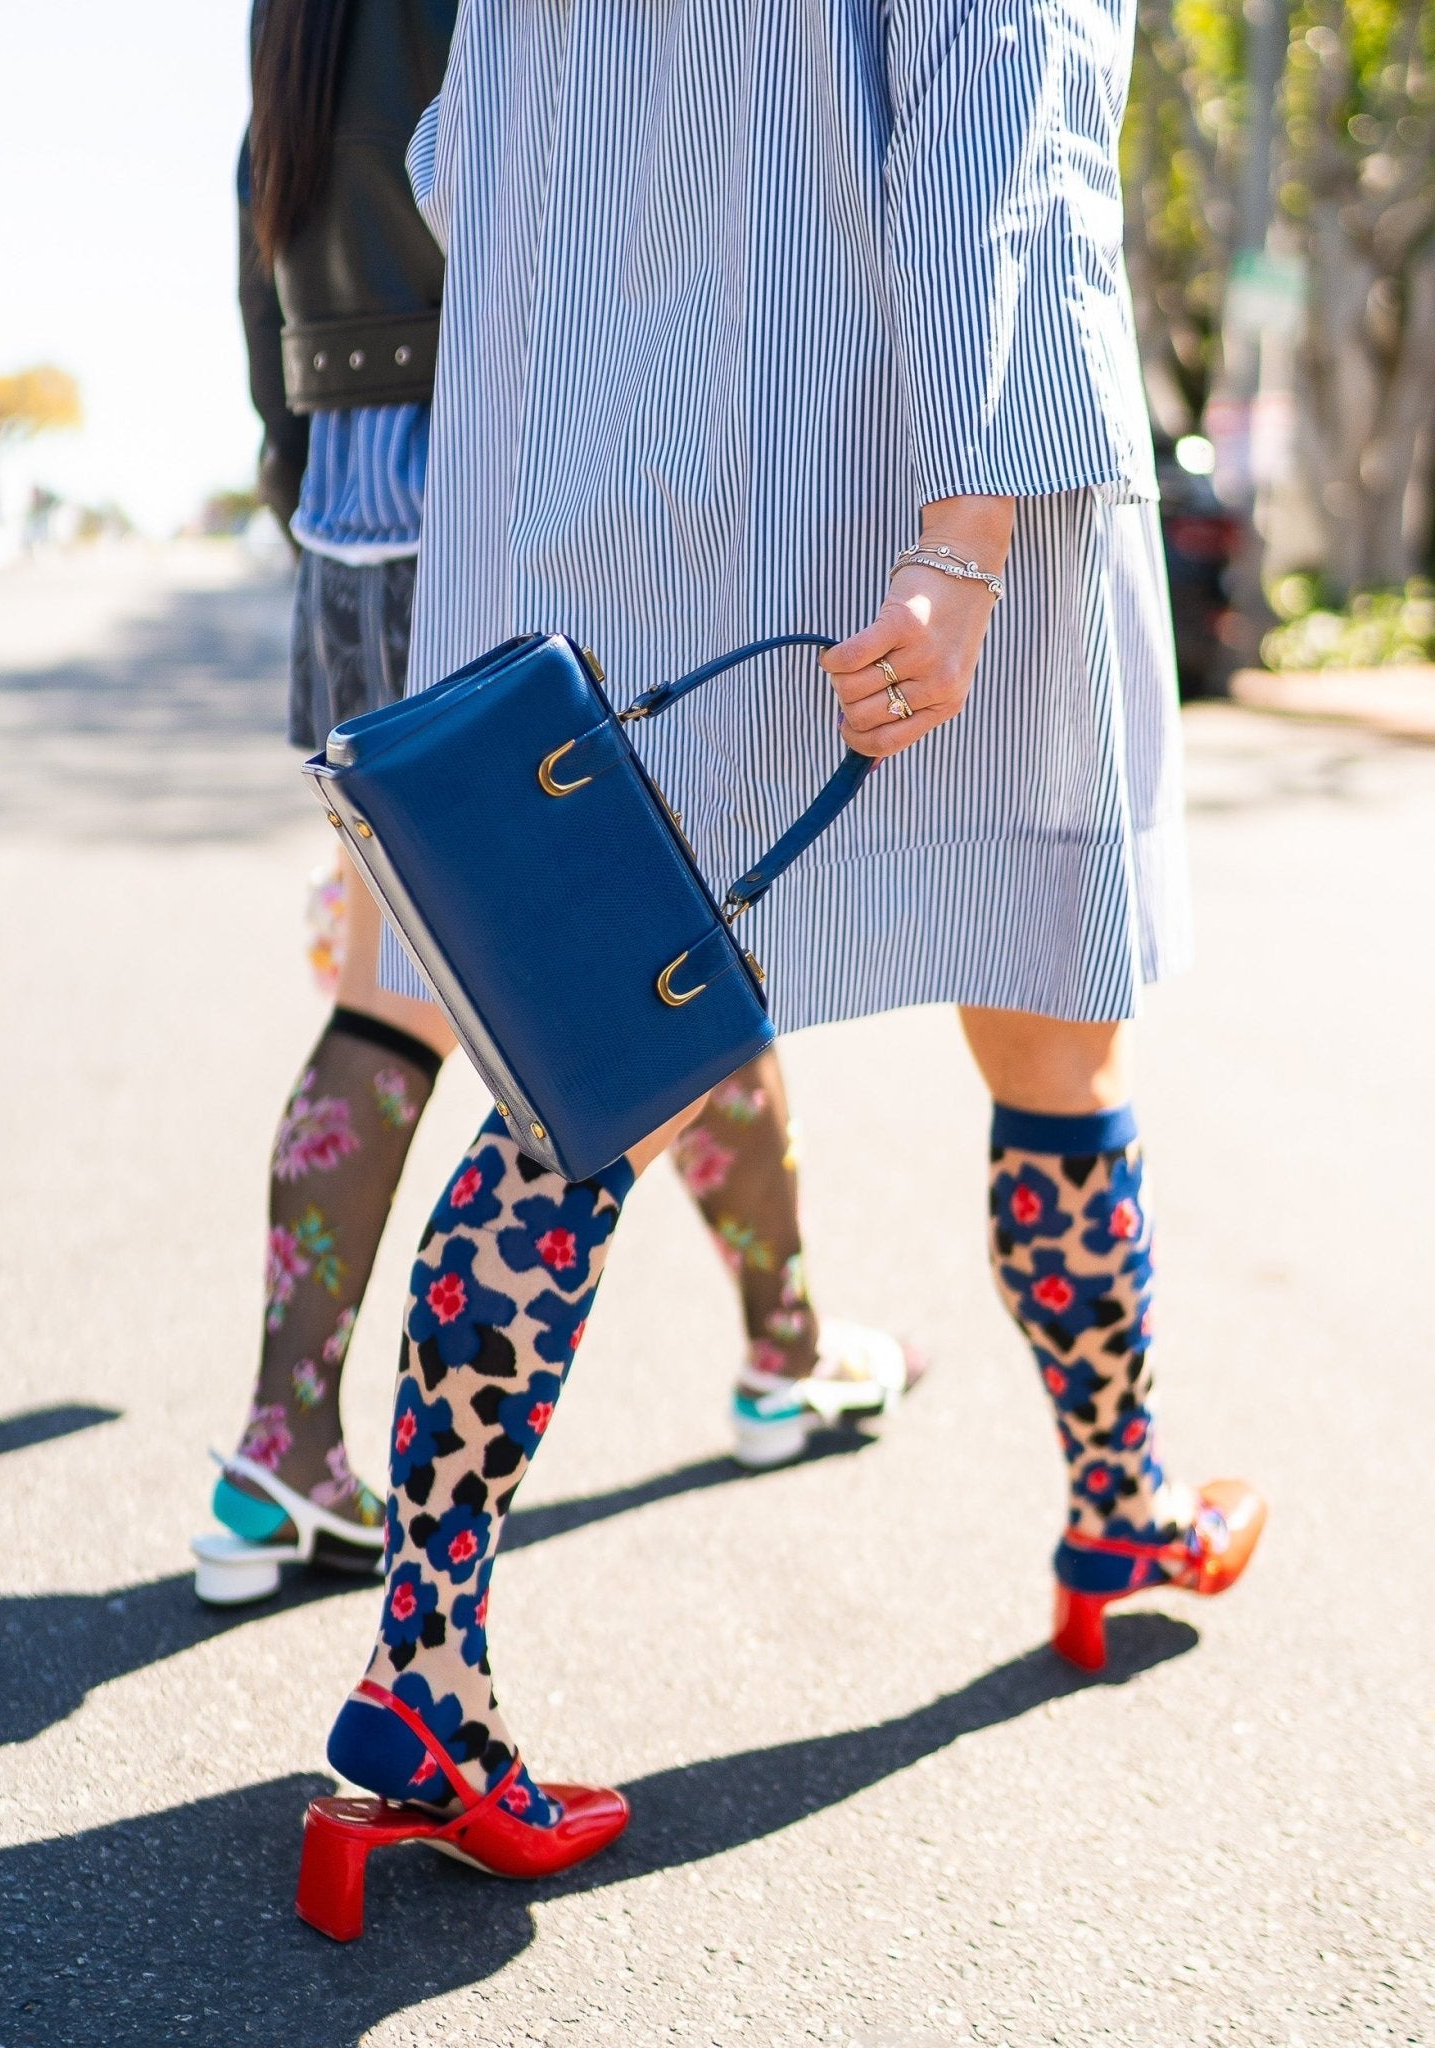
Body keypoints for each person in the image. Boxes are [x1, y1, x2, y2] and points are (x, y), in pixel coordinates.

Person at [292, 2, 1270, 1935]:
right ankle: (1117, 1502)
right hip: (929, 488)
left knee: (575, 1096)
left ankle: (421, 1683)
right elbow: (1012, 117)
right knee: (1053, 1031)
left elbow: (456, 161)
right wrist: (964, 540)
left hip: (597, 509)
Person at [193, 0, 921, 1610]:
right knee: (655, 952)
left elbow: (262, 217)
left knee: (420, 997)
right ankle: (780, 1359)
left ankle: (281, 1448)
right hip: (512, 468)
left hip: (346, 502)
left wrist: (296, 471)